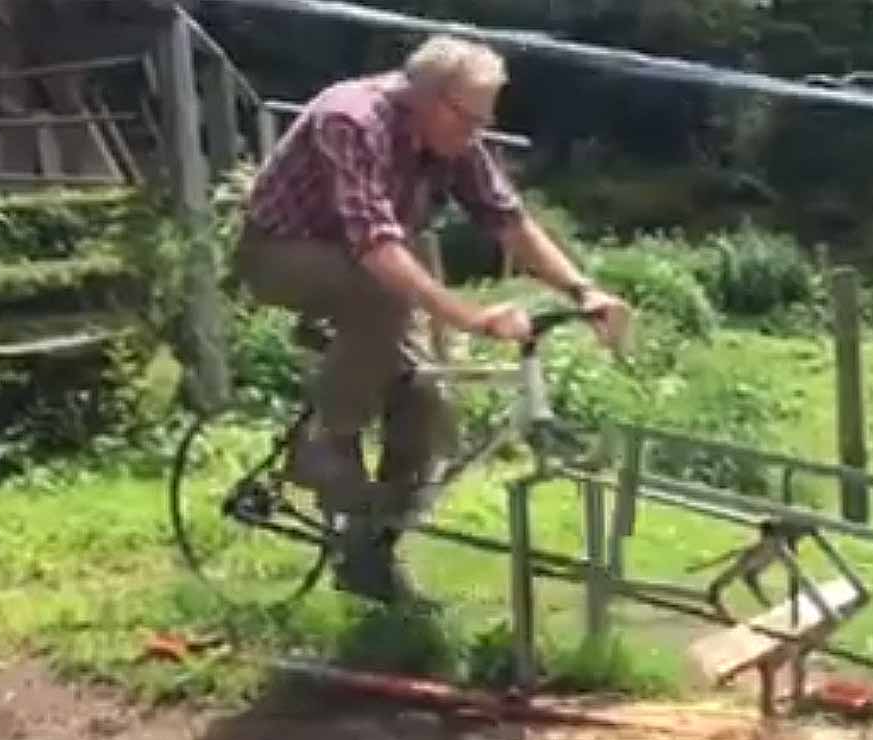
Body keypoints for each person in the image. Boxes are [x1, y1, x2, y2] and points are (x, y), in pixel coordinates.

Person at [234, 34, 630, 605]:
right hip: (283, 253)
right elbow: (375, 246)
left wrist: (583, 290)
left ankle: (369, 551)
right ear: (431, 98)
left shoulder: (454, 139)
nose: (476, 133)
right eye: (470, 119)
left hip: (368, 267)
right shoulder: (350, 118)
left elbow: (508, 219)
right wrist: (471, 317)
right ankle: (326, 442)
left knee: (428, 400)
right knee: (382, 290)